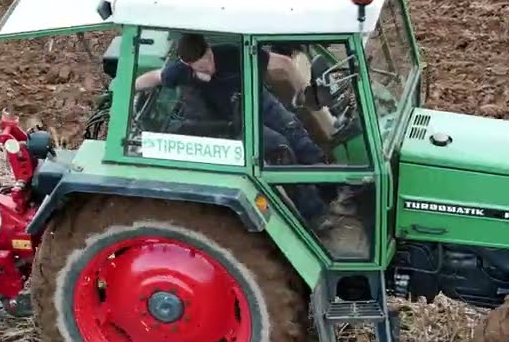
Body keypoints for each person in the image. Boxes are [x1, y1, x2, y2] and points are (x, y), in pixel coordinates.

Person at [135, 33, 368, 257]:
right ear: (187, 64)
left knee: (296, 134)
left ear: (209, 49)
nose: (206, 66)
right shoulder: (181, 71)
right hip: (237, 122)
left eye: (206, 59)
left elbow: (285, 63)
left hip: (260, 102)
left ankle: (334, 194)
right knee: (280, 149)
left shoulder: (232, 54)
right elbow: (153, 77)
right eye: (198, 66)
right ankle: (315, 215)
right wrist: (126, 89)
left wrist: (303, 92)